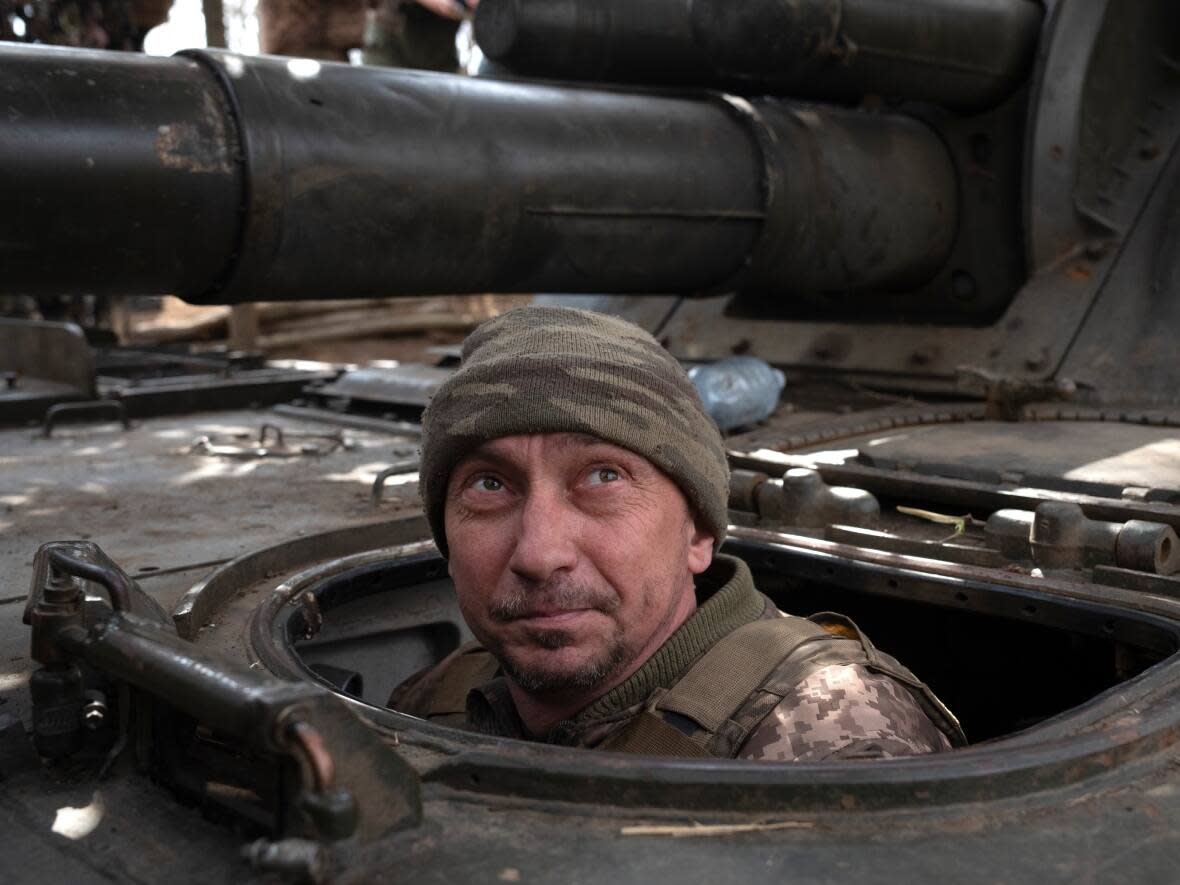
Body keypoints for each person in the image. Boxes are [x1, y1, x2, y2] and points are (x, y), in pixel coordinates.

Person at [389, 305, 965, 760]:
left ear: (698, 535)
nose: (540, 554)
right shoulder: (433, 703)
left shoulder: (825, 741)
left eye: (603, 476)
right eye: (489, 486)